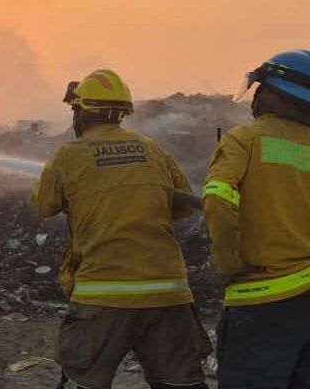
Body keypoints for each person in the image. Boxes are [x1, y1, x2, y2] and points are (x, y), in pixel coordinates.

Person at [202, 50, 310, 389]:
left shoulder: (244, 140)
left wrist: (227, 261)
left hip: (260, 299)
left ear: (269, 94)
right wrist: (306, 217)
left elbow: (217, 199)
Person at [32, 69, 212, 389]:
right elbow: (183, 206)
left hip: (102, 294)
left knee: (83, 382)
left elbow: (44, 205)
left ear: (83, 112)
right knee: (180, 384)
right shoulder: (153, 151)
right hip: (167, 294)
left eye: (75, 111)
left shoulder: (69, 155)